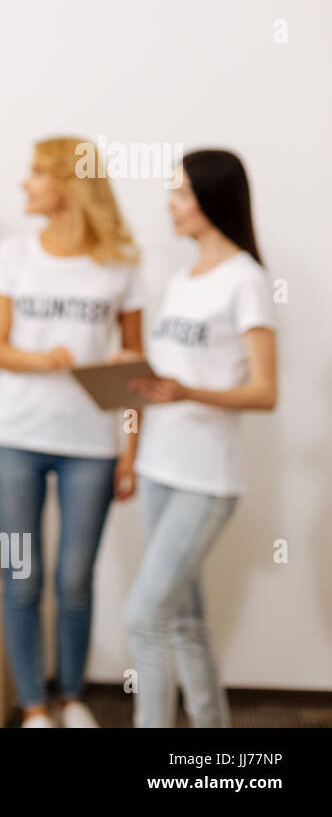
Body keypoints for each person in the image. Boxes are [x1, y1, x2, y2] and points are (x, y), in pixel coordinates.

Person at [0, 137, 144, 727]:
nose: (26, 184)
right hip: (15, 437)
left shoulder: (121, 264)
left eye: (37, 173)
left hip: (92, 446)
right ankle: (33, 706)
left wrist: (131, 453)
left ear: (69, 184)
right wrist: (41, 358)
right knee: (22, 578)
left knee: (75, 578)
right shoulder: (13, 253)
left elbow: (134, 369)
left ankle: (73, 698)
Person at [125, 150, 277, 728]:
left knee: (144, 616)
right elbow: (165, 379)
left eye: (183, 193)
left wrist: (189, 393)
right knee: (184, 621)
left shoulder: (247, 280)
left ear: (215, 199)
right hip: (161, 467)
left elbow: (265, 391)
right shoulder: (182, 280)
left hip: (207, 478)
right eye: (172, 191)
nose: (172, 203)